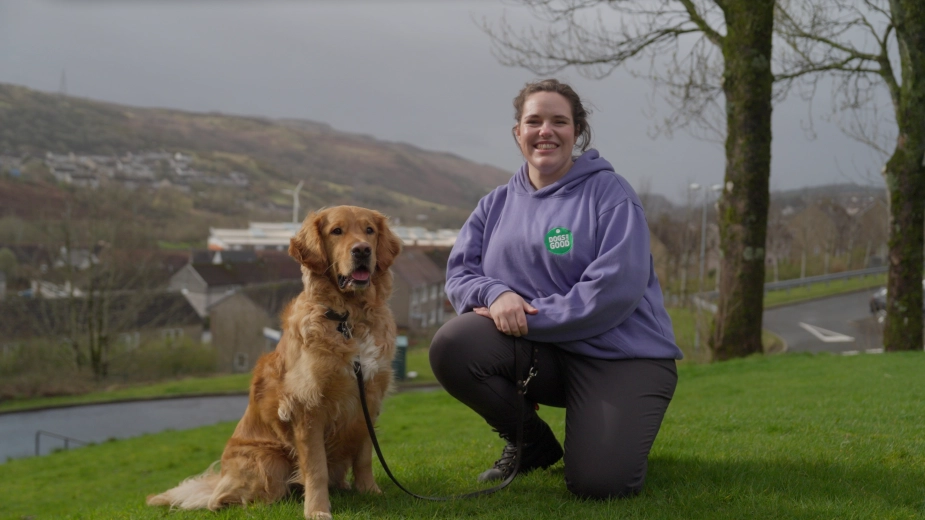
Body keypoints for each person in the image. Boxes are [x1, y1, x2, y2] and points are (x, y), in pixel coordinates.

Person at [428, 78, 682, 500]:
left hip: (621, 356)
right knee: (452, 345)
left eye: (559, 121)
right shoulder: (495, 204)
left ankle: (615, 435)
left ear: (577, 131)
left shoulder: (610, 193)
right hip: (544, 353)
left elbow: (615, 290)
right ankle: (532, 445)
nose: (545, 131)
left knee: (600, 485)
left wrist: (529, 318)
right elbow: (460, 275)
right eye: (534, 121)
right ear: (518, 132)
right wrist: (496, 295)